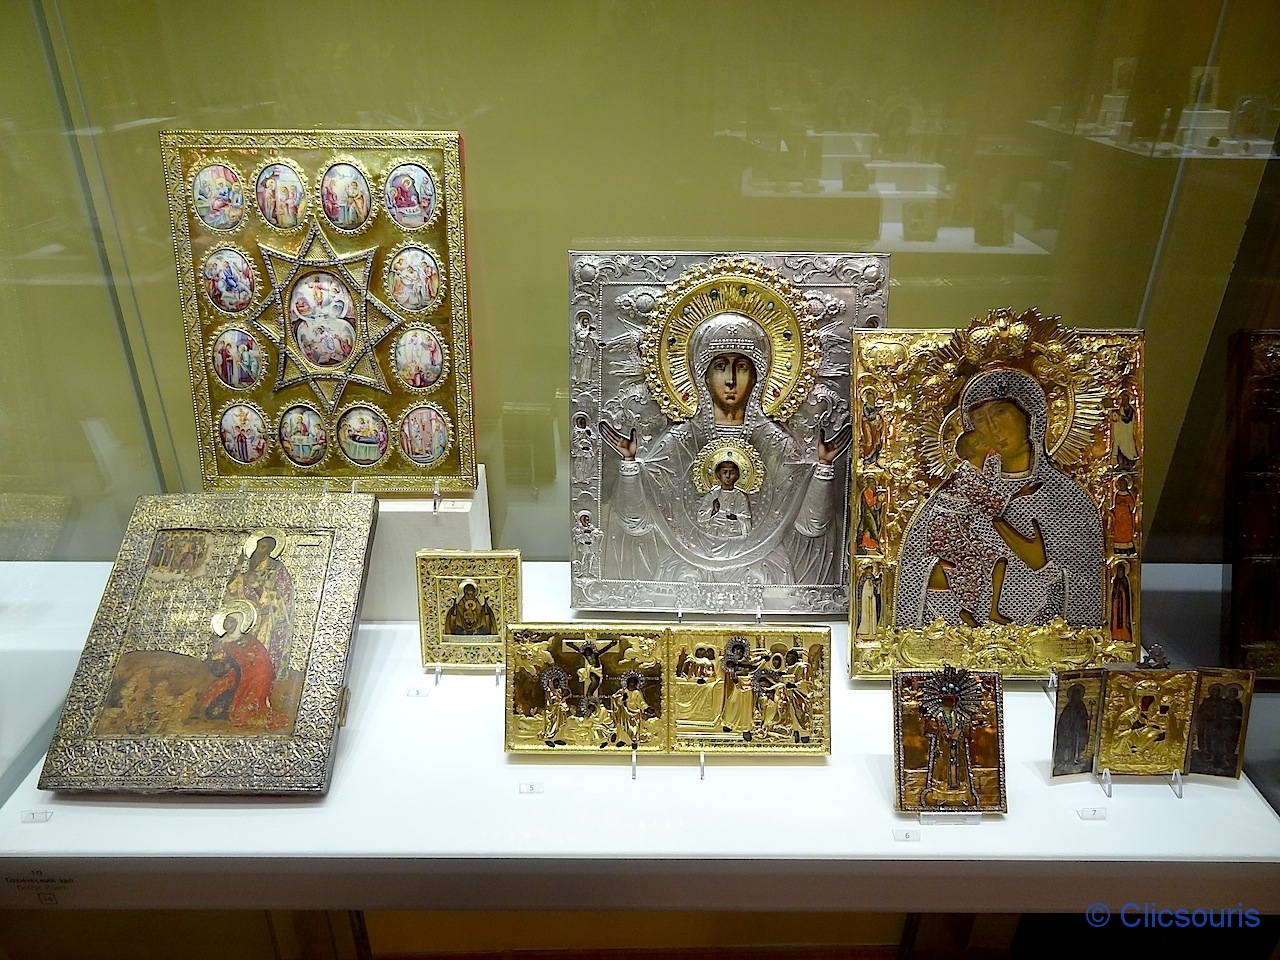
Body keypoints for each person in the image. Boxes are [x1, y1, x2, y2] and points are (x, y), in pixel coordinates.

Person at [598, 311, 850, 586]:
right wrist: (629, 465)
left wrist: (824, 468)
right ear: (703, 376)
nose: (731, 379)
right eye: (720, 366)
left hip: (762, 568)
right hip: (684, 567)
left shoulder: (777, 445)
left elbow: (810, 526)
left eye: (741, 367)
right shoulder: (678, 444)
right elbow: (637, 523)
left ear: (757, 376)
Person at [895, 368, 1105, 628]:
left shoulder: (1070, 500)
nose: (993, 428)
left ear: (1030, 415)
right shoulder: (955, 491)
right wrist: (939, 574)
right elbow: (908, 574)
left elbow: (1088, 592)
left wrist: (1043, 568)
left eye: (1000, 412)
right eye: (980, 420)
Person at [697, 460, 752, 538]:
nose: (728, 476)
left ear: (737, 475)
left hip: (733, 534)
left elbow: (746, 519)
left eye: (731, 473)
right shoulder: (713, 495)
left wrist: (736, 517)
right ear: (719, 474)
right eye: (724, 472)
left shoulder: (740, 496)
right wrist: (713, 511)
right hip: (714, 533)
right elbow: (701, 518)